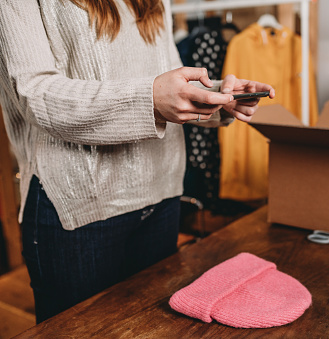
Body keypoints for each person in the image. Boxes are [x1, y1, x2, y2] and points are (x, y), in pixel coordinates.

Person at [0, 0, 275, 323]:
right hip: (78, 206)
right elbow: (34, 96)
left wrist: (218, 95)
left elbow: (167, 83)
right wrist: (151, 99)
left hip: (161, 193)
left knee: (152, 328)